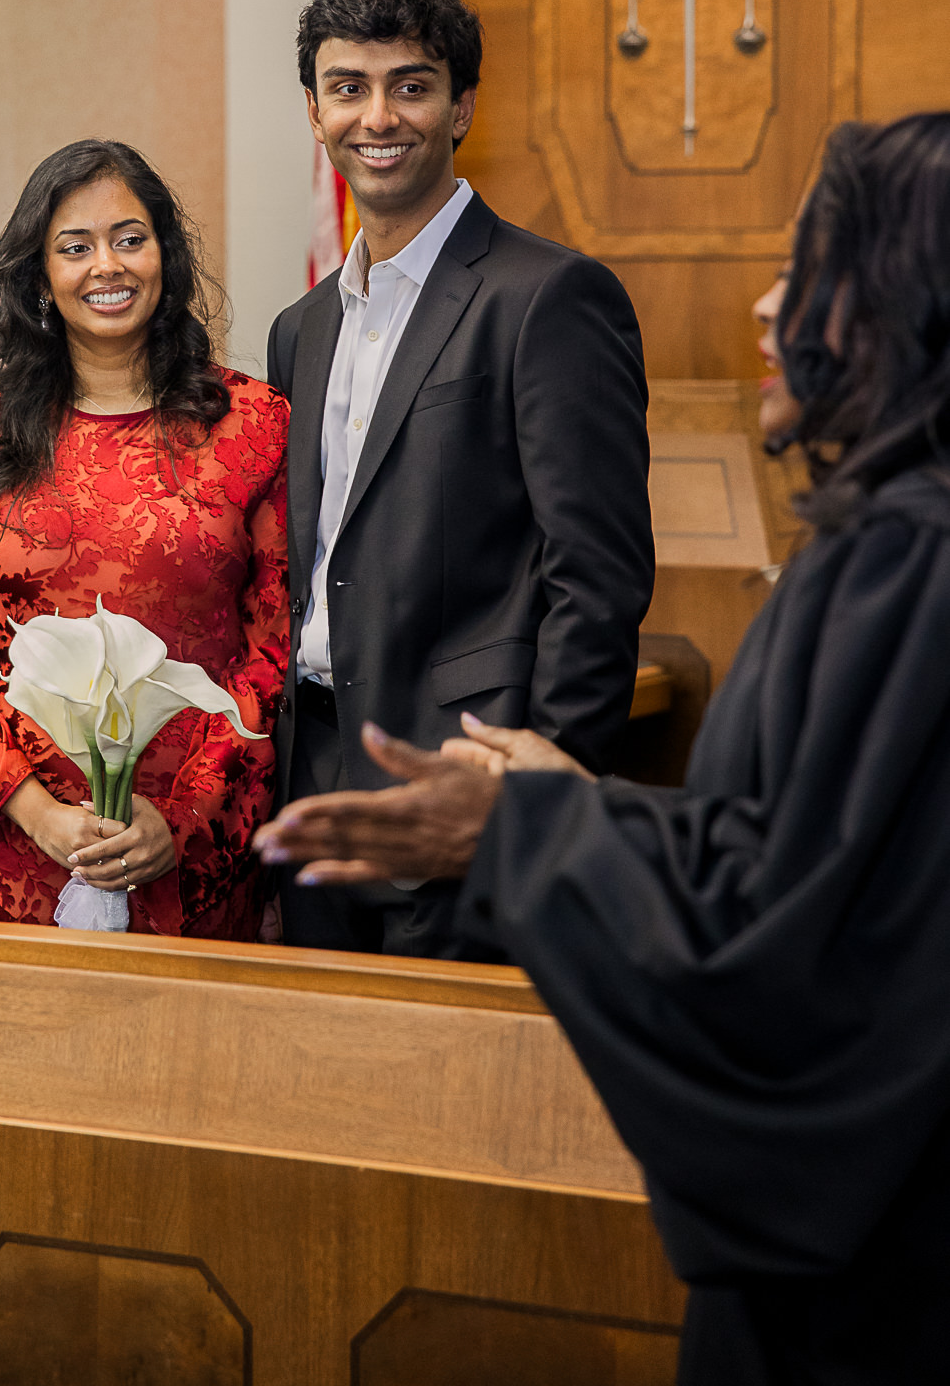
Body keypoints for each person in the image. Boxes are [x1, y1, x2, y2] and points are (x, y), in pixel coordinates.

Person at [259, 112, 950, 1382]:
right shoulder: (886, 547)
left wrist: (517, 822)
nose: (762, 304)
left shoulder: (908, 567)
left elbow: (792, 938)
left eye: (805, 268)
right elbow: (795, 851)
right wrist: (582, 803)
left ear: (903, 297)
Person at [266, 0, 655, 956]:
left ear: (460, 106)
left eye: (411, 83)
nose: (378, 115)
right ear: (314, 110)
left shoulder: (548, 296)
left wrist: (538, 778)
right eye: (348, 86)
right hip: (311, 771)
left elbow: (597, 573)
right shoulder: (298, 329)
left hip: (461, 779)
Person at [0, 140, 288, 940]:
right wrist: (38, 813)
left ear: (165, 256)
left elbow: (272, 654)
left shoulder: (255, 425)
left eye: (129, 238)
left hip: (197, 864)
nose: (105, 266)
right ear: (41, 279)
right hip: (17, 861)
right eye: (74, 248)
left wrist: (179, 818)